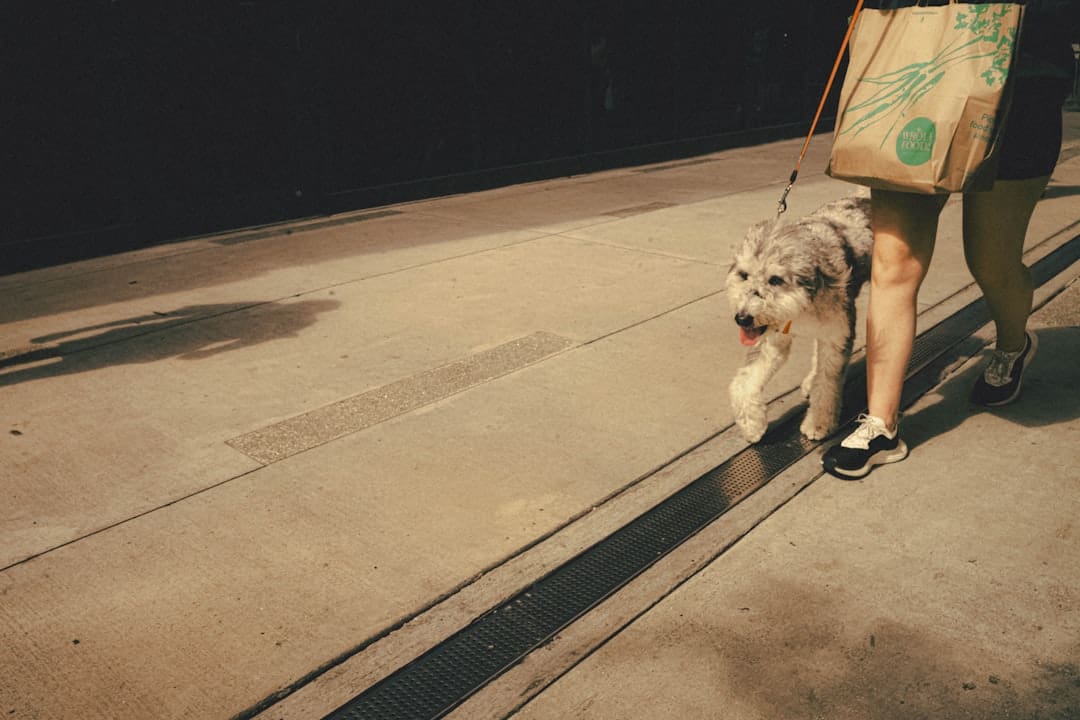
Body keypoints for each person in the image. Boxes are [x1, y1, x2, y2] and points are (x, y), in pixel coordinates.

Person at [822, 0, 1080, 479]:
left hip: (1018, 88)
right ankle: (880, 424)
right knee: (893, 260)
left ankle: (1011, 346)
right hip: (917, 73)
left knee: (991, 261)